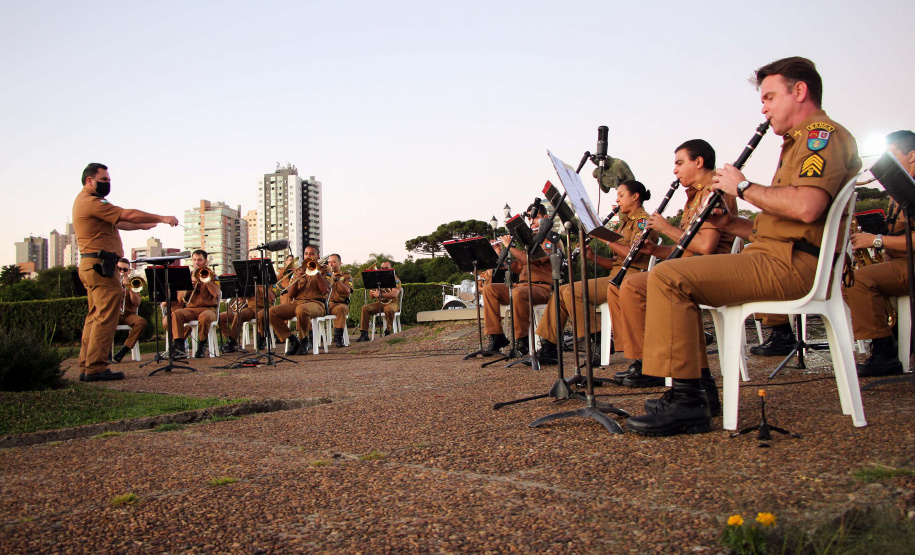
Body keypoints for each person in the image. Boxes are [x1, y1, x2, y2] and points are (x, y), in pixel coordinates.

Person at [626, 56, 861, 437]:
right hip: (779, 256)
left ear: (799, 91)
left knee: (669, 277)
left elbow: (807, 207)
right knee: (672, 276)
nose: (764, 108)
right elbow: (782, 225)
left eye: (769, 97)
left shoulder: (822, 136)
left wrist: (744, 187)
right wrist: (730, 224)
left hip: (795, 265)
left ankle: (689, 402)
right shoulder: (797, 143)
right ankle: (699, 391)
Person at [608, 140, 738, 393]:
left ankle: (654, 365)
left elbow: (705, 246)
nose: (675, 170)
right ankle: (646, 361)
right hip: (692, 266)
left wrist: (665, 227)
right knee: (633, 285)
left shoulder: (714, 190)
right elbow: (687, 247)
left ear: (698, 162)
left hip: (712, 269)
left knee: (635, 286)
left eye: (679, 163)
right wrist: (656, 250)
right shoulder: (695, 195)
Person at [73, 163, 178, 381]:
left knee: (94, 316)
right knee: (105, 318)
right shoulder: (92, 202)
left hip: (92, 265)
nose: (107, 184)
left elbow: (120, 222)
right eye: (104, 180)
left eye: (109, 180)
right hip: (101, 267)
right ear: (89, 181)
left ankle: (86, 366)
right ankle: (96, 367)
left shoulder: (86, 202)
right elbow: (127, 214)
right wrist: (162, 217)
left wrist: (142, 225)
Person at [534, 180, 658, 364]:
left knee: (572, 292)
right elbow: (617, 263)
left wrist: (605, 238)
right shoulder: (625, 224)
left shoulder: (643, 221)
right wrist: (593, 257)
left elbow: (635, 253)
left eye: (621, 195)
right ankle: (549, 345)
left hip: (631, 278)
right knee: (561, 291)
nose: (617, 200)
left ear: (635, 196)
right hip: (617, 275)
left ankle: (598, 340)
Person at [842, 130, 915, 376]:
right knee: (848, 282)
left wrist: (876, 241)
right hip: (902, 262)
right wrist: (883, 257)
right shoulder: (899, 192)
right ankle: (893, 336)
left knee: (860, 280)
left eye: (891, 155)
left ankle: (885, 354)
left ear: (912, 156)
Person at [481, 203, 555, 354]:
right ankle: (496, 335)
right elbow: (519, 267)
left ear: (545, 218)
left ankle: (522, 340)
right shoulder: (529, 243)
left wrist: (511, 247)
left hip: (542, 287)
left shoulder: (549, 241)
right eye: (530, 218)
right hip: (522, 286)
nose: (532, 222)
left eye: (536, 218)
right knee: (489, 289)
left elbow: (532, 260)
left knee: (517, 293)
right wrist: (500, 252)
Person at [262, 244, 330, 355]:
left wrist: (316, 273)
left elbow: (325, 290)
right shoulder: (298, 270)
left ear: (317, 256)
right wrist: (297, 278)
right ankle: (293, 340)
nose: (308, 256)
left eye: (311, 254)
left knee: (301, 309)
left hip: (316, 303)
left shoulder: (324, 270)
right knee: (271, 312)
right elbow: (290, 295)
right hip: (297, 302)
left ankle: (304, 341)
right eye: (306, 254)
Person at [171, 250, 221, 358]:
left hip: (208, 309)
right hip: (191, 309)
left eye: (199, 260)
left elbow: (216, 293)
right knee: (176, 313)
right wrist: (188, 285)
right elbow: (179, 299)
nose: (196, 263)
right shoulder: (187, 276)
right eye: (194, 260)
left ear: (205, 261)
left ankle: (202, 345)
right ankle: (179, 347)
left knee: (205, 317)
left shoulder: (213, 276)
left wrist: (207, 280)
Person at [218, 279, 275, 353]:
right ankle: (232, 341)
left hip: (264, 308)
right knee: (239, 314)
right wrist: (242, 296)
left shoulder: (269, 283)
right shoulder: (249, 282)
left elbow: (272, 298)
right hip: (251, 308)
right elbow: (241, 297)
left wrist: (262, 288)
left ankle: (261, 337)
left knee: (261, 315)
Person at [112, 259, 148, 363]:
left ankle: (124, 350)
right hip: (113, 315)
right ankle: (105, 353)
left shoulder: (133, 284)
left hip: (128, 315)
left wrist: (129, 288)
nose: (122, 272)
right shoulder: (111, 283)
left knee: (141, 322)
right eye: (119, 269)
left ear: (129, 271)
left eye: (125, 270)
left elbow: (136, 303)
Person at [356, 260, 402, 341]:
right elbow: (371, 297)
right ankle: (364, 333)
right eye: (382, 268)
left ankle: (388, 331)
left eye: (386, 268)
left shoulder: (395, 279)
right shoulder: (378, 280)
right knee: (365, 308)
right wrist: (373, 288)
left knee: (389, 309)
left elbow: (394, 294)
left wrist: (380, 294)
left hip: (392, 303)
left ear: (391, 269)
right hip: (380, 303)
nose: (384, 270)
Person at [326, 253, 354, 347]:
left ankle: (338, 338)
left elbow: (347, 290)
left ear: (340, 263)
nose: (331, 264)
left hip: (338, 304)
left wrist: (336, 279)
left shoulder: (346, 276)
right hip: (325, 305)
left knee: (341, 308)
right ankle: (310, 339)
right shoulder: (325, 275)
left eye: (333, 262)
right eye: (329, 262)